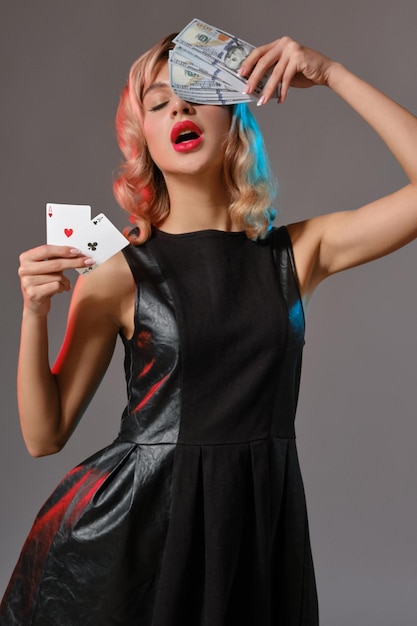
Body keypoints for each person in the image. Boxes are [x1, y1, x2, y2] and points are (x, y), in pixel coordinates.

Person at [1, 30, 417, 626]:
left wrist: (331, 73)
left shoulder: (297, 254)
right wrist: (33, 313)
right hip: (141, 538)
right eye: (158, 101)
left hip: (258, 526)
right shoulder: (117, 273)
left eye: (198, 91)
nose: (179, 108)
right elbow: (45, 436)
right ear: (143, 134)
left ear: (236, 116)